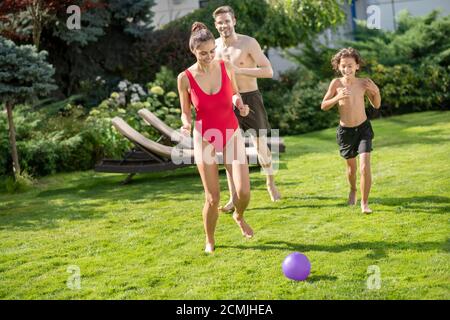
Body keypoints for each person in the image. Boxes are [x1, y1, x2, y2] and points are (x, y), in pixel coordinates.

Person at [177, 22, 254, 253]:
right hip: (205, 137)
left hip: (231, 132)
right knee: (213, 197)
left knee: (244, 192)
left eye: (212, 51)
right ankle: (209, 238)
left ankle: (239, 216)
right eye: (203, 53)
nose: (209, 56)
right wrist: (185, 125)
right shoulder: (185, 78)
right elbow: (185, 111)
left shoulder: (225, 66)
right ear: (193, 51)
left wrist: (240, 105)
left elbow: (234, 94)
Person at [212, 5, 281, 212]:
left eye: (227, 21)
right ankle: (233, 197)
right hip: (226, 102)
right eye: (220, 22)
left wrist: (238, 70)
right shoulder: (213, 47)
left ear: (234, 21)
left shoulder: (248, 43)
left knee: (260, 145)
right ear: (216, 26)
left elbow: (268, 71)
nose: (224, 25)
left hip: (251, 98)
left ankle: (271, 183)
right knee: (229, 151)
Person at [321, 47, 381, 214]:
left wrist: (376, 91)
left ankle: (365, 203)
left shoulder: (364, 83)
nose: (346, 69)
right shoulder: (336, 83)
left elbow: (376, 104)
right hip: (345, 132)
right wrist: (337, 97)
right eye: (343, 65)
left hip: (363, 129)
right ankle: (353, 189)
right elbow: (323, 105)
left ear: (357, 66)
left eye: (350, 65)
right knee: (351, 170)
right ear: (338, 67)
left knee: (364, 167)